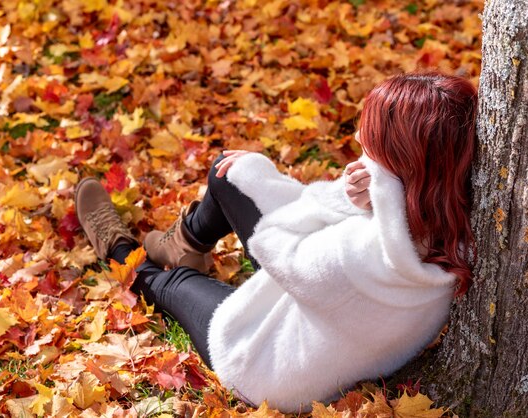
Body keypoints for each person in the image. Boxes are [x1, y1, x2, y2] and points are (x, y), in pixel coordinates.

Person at [74, 71, 477, 413]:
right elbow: (360, 229)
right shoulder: (454, 221)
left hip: (267, 367)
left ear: (401, 161)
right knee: (227, 173)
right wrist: (372, 199)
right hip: (320, 322)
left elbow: (274, 244)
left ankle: (118, 249)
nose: (358, 136)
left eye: (373, 139)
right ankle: (184, 241)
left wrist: (304, 186)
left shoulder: (356, 255)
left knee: (171, 283)